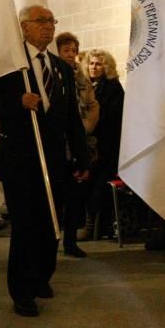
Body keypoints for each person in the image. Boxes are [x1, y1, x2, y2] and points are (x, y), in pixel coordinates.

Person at [0, 5, 89, 317]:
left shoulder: (61, 68)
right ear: (24, 27)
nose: (48, 27)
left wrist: (81, 155)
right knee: (26, 227)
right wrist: (17, 102)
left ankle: (42, 277)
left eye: (52, 21)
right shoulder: (12, 65)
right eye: (41, 21)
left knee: (51, 223)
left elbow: (72, 118)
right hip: (22, 162)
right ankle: (21, 291)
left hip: (55, 162)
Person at [55, 31, 99, 257]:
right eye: (66, 50)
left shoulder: (81, 78)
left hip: (78, 142)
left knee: (75, 197)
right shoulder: (51, 73)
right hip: (57, 144)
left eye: (73, 51)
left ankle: (70, 242)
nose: (71, 55)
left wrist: (83, 128)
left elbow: (92, 106)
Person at [85, 48, 124, 240]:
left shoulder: (113, 88)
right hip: (88, 144)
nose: (94, 67)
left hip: (106, 146)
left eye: (98, 63)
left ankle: (96, 225)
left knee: (98, 185)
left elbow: (112, 119)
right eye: (91, 63)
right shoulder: (85, 86)